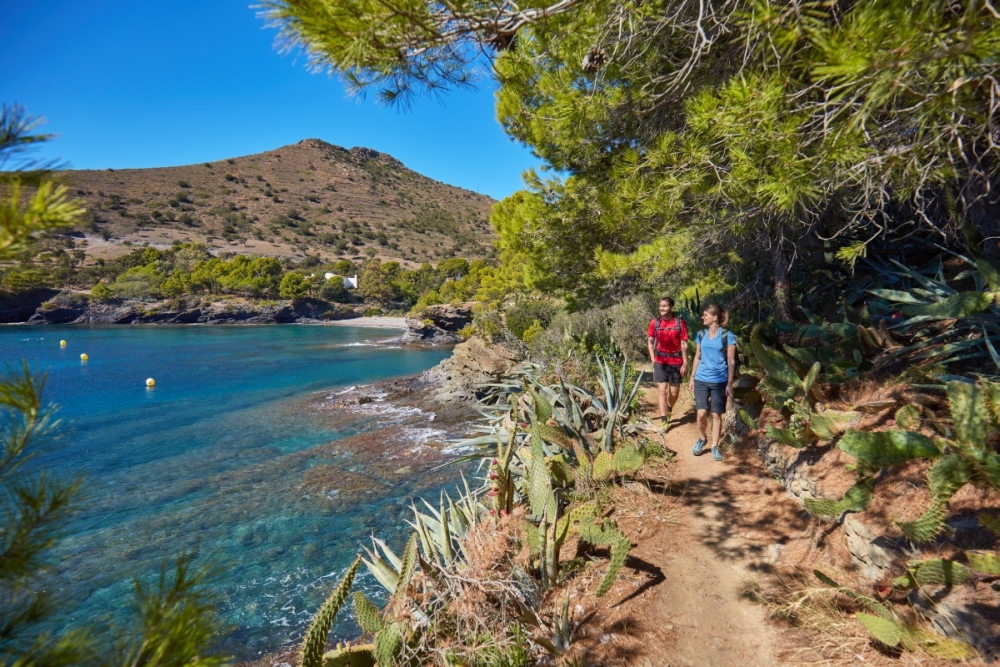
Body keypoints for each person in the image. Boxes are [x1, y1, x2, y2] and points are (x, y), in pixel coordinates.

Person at [688, 304, 736, 461]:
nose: (702, 317)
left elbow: (731, 361)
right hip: (701, 378)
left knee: (716, 415)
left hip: (719, 381)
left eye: (705, 315)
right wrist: (692, 376)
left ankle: (715, 446)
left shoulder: (727, 336)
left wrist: (729, 383)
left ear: (714, 318)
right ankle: (702, 438)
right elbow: (697, 356)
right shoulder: (701, 334)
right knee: (701, 413)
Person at [647, 296, 688, 431]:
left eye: (664, 306)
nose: (661, 308)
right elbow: (651, 341)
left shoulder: (680, 323)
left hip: (676, 362)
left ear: (671, 307)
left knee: (674, 392)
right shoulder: (655, 323)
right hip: (661, 361)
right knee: (662, 391)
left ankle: (669, 407)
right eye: (660, 306)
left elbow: (684, 344)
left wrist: (685, 363)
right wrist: (653, 358)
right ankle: (664, 420)